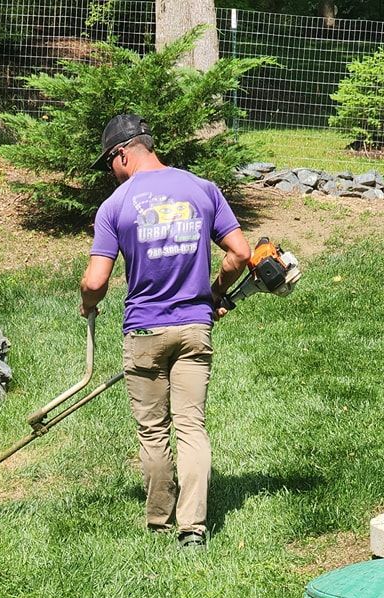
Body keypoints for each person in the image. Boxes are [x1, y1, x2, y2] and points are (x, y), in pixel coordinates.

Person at [80, 114, 251, 549]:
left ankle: (159, 519)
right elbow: (240, 253)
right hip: (195, 327)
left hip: (144, 332)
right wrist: (214, 294)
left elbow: (96, 282)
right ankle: (193, 528)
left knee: (153, 431)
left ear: (123, 154)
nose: (110, 174)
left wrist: (88, 305)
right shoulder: (202, 189)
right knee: (191, 426)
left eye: (108, 164)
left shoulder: (116, 206)